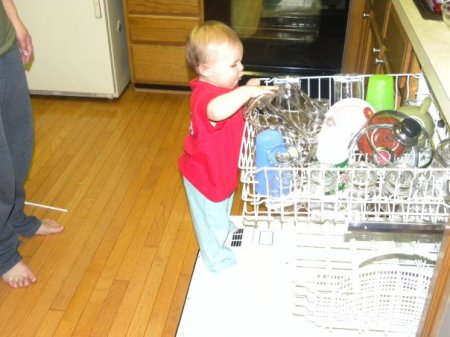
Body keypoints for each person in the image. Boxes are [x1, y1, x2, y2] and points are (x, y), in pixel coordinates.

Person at [178, 20, 276, 273]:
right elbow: (217, 110)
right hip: (202, 175)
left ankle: (222, 225)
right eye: (234, 64)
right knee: (208, 221)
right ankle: (216, 259)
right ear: (206, 70)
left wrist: (245, 89)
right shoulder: (204, 96)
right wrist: (246, 93)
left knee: (223, 201)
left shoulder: (224, 88)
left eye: (240, 61)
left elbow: (230, 104)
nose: (241, 68)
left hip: (220, 168)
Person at [1, 0, 64, 289]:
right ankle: (2, 253)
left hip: (2, 44)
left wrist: (14, 20)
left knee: (18, 145)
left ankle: (15, 218)